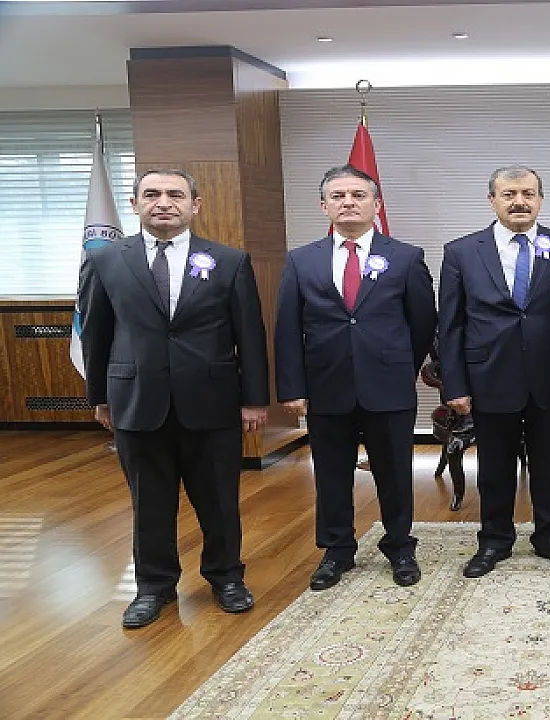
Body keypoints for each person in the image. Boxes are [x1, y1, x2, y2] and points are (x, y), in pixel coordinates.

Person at [78, 168, 269, 628]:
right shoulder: (105, 261)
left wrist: (255, 399)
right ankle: (154, 587)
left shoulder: (229, 261)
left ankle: (226, 578)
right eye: (152, 194)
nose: (163, 202)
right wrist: (99, 397)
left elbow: (250, 335)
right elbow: (96, 335)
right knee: (149, 503)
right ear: (135, 204)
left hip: (212, 402)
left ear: (194, 205)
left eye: (175, 195)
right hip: (137, 401)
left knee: (219, 499)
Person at [275, 164, 437, 591]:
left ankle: (400, 546)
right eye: (338, 196)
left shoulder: (406, 257)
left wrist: (399, 365)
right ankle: (336, 550)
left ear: (376, 204)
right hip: (325, 386)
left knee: (395, 472)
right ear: (324, 206)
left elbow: (423, 322)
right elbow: (287, 327)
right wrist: (292, 387)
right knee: (330, 473)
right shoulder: (301, 260)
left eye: (358, 195)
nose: (348, 202)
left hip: (388, 385)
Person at [438, 166, 550, 578]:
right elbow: (450, 324)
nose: (519, 201)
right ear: (492, 201)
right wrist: (455, 384)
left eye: (528, 193)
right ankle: (494, 540)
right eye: (509, 194)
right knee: (494, 467)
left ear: (540, 199)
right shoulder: (461, 252)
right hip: (488, 376)